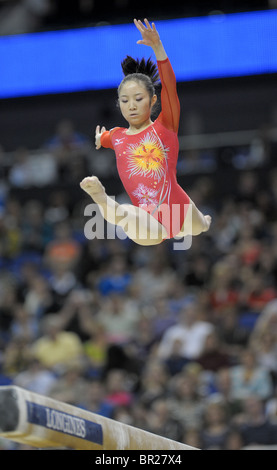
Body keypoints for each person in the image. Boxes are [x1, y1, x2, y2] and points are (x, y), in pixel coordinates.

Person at [80, 18, 211, 246]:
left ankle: (204, 221)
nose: (131, 105)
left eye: (138, 99)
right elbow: (109, 138)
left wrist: (158, 49)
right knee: (125, 215)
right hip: (148, 222)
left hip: (178, 209)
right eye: (125, 100)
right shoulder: (118, 135)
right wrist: (100, 138)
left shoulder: (165, 126)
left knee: (201, 226)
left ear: (152, 100)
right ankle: (100, 197)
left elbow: (170, 86)